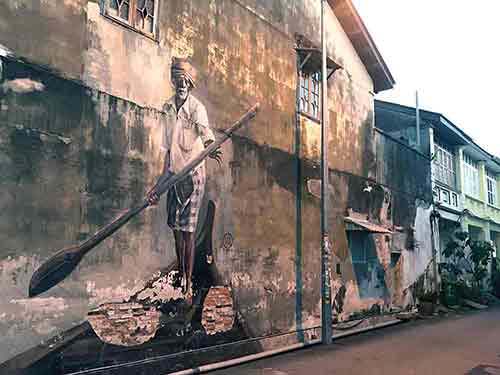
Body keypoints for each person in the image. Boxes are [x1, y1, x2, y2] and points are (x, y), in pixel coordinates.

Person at [148, 57, 221, 303]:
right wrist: (157, 187)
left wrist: (211, 146)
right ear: (173, 82)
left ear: (190, 84)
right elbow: (167, 152)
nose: (182, 84)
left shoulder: (197, 108)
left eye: (185, 81)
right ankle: (181, 272)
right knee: (175, 229)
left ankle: (188, 284)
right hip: (174, 175)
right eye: (178, 80)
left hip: (193, 174)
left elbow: (206, 135)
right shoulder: (168, 108)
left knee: (188, 231)